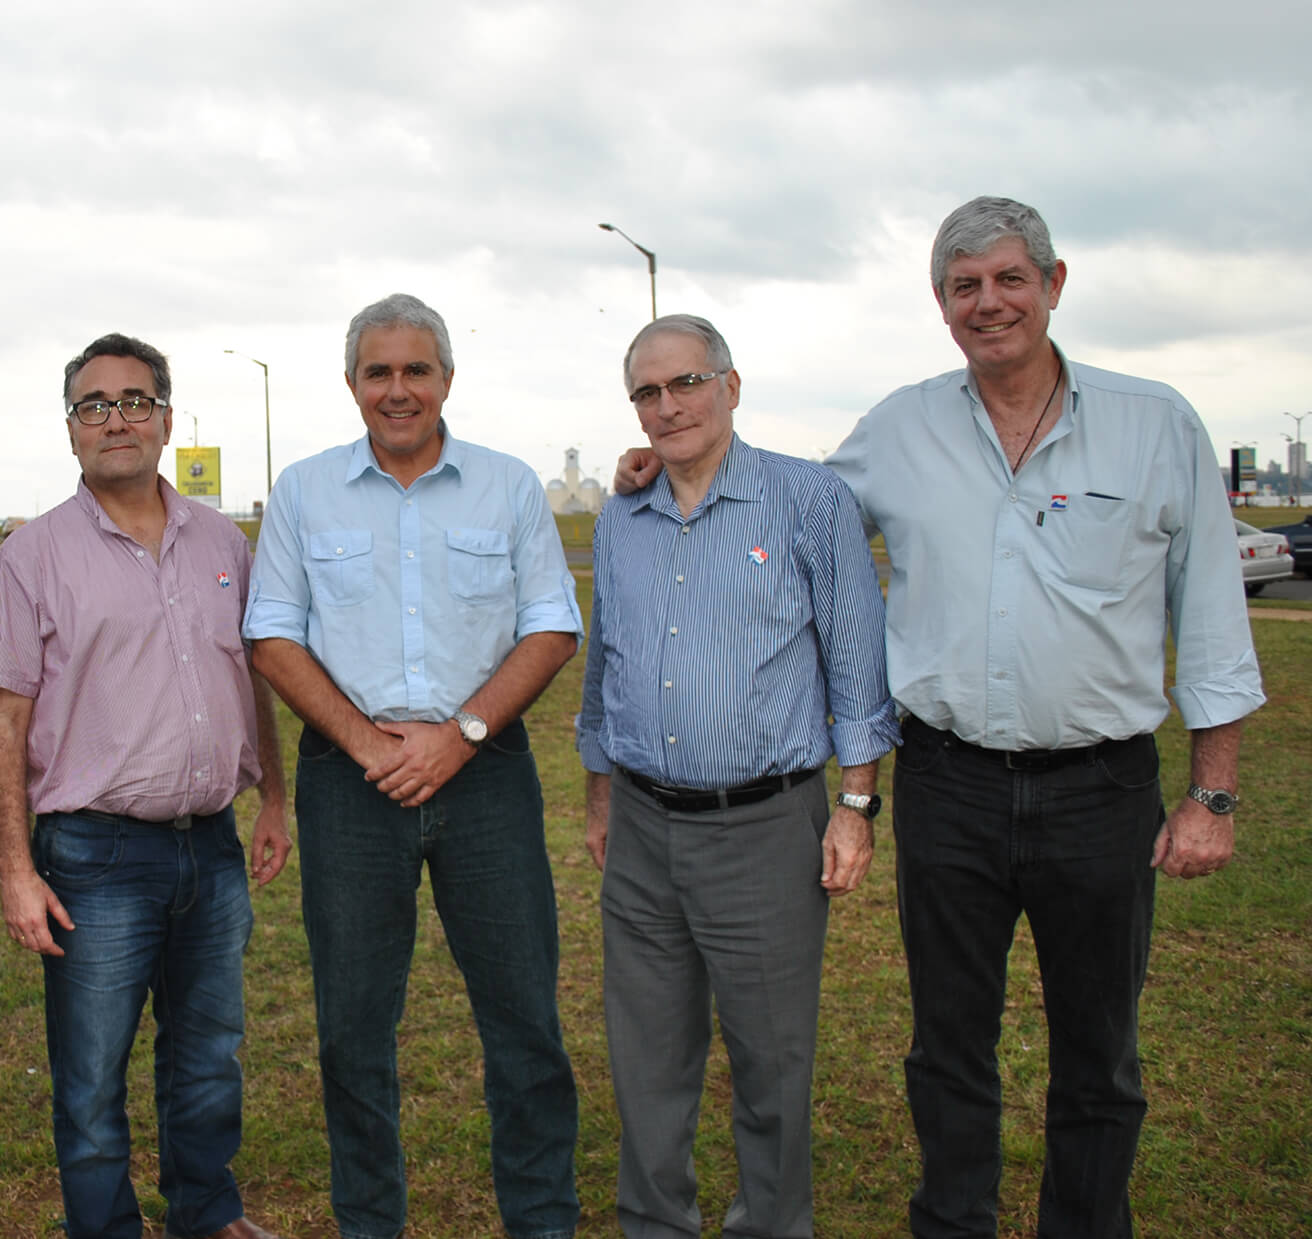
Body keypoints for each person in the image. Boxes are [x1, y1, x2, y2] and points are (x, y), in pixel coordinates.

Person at [614, 196, 1265, 1238]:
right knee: (946, 1044)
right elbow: (792, 506)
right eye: (964, 286)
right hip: (950, 782)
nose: (988, 302)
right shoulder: (900, 427)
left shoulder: (1154, 425)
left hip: (1099, 785)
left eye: (1009, 278)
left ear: (1053, 286)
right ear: (939, 303)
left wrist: (1211, 792)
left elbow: (1210, 618)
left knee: (1097, 1051)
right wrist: (673, 461)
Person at [245, 293, 583, 1239]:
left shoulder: (508, 486)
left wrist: (460, 734)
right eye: (378, 372)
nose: (399, 390)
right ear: (352, 383)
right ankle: (369, 1224)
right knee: (353, 1033)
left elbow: (552, 624)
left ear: (446, 378)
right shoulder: (305, 490)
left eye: (416, 370)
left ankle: (543, 1222)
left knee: (523, 1022)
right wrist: (367, 744)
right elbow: (270, 635)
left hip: (487, 777)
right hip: (349, 787)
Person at [579, 314, 898, 1239]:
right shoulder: (621, 514)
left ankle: (771, 1224)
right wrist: (601, 796)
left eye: (686, 382)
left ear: (731, 384)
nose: (668, 405)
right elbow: (606, 667)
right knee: (645, 1061)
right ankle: (656, 1223)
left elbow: (856, 666)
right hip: (641, 827)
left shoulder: (806, 500)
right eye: (648, 391)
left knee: (771, 1061)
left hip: (765, 828)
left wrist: (855, 805)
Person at [0, 333, 292, 1239]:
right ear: (70, 428)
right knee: (90, 1070)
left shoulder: (223, 541)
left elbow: (252, 676)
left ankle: (206, 1211)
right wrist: (17, 867)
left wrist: (273, 793)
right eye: (94, 404)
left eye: (135, 400)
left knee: (208, 1053)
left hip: (212, 843)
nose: (117, 417)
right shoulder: (32, 557)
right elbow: (3, 718)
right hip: (93, 853)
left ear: (167, 418)